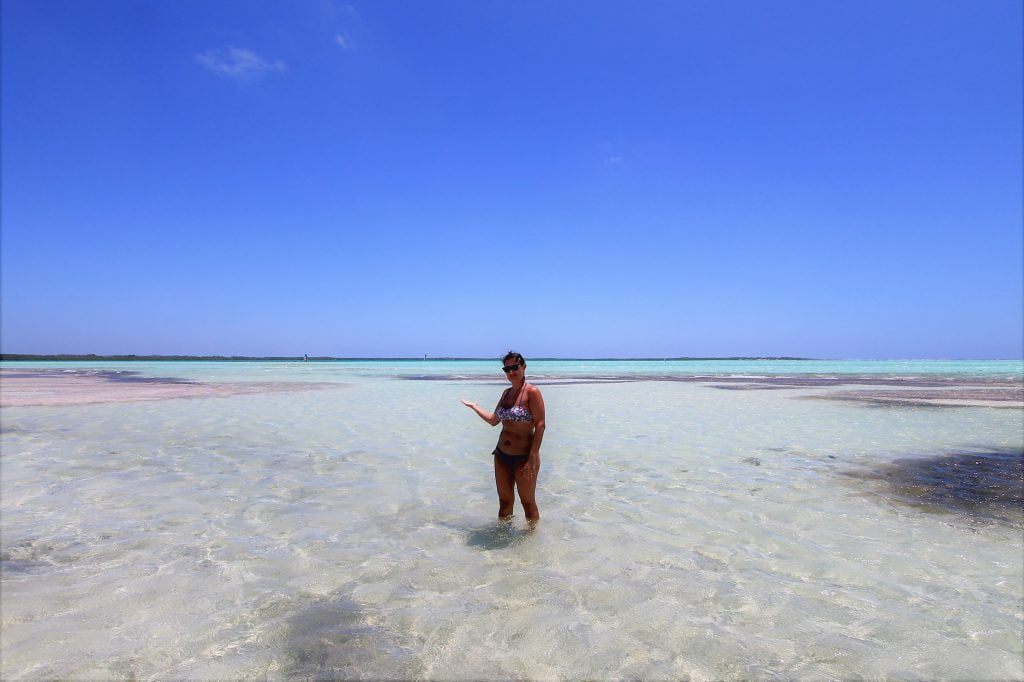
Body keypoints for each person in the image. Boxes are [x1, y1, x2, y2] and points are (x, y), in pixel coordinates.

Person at [461, 351, 546, 522]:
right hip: (501, 456)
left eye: (515, 367)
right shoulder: (506, 393)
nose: (511, 372)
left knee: (528, 503)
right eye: (507, 369)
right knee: (504, 502)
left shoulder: (532, 392)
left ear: (524, 367)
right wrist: (474, 407)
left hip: (524, 458)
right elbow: (494, 420)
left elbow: (540, 425)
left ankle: (531, 543)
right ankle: (502, 542)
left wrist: (533, 455)